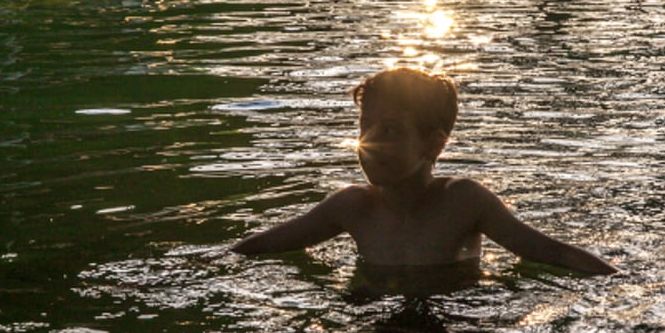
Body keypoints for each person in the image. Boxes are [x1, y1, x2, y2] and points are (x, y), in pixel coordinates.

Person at [231, 67, 617, 276]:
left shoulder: (465, 201)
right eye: (366, 127)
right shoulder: (351, 207)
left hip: (450, 319)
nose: (371, 142)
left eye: (392, 131)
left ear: (434, 145)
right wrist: (214, 261)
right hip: (369, 318)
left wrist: (616, 281)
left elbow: (547, 251)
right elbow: (267, 244)